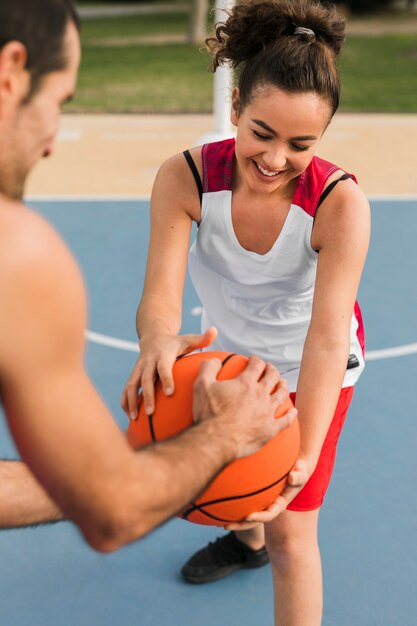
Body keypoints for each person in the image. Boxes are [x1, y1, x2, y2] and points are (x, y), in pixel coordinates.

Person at [0, 0, 297, 549]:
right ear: (11, 72)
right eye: (60, 100)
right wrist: (225, 436)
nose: (50, 141)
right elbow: (112, 509)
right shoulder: (16, 256)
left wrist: (120, 472)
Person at [121, 0, 370, 623]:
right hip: (234, 349)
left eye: (301, 144)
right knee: (238, 476)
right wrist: (155, 339)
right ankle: (244, 538)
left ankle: (263, 540)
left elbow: (324, 339)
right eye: (262, 133)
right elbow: (160, 295)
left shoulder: (339, 206)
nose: (276, 159)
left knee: (291, 534)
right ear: (234, 110)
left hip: (315, 362)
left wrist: (303, 455)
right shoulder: (185, 179)